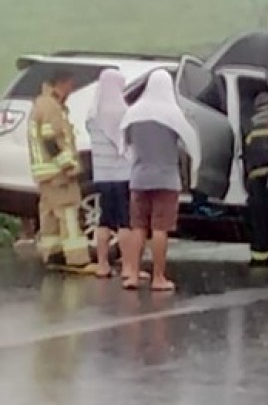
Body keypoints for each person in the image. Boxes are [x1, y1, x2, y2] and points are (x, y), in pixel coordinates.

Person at [120, 68, 196, 293]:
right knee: (160, 229)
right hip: (166, 178)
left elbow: (123, 143)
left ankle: (132, 274)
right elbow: (191, 142)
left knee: (138, 227)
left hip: (139, 178)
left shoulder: (134, 113)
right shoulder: (172, 114)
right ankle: (158, 277)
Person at [27, 69, 93, 273]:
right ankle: (77, 259)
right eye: (71, 85)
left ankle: (54, 254)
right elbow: (50, 139)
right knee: (69, 213)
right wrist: (69, 165)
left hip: (44, 173)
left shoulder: (41, 104)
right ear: (62, 83)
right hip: (58, 174)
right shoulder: (51, 107)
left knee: (49, 214)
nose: (72, 90)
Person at [86, 68, 140, 284]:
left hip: (101, 174)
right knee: (124, 221)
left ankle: (102, 264)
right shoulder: (122, 112)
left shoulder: (92, 114)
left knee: (104, 219)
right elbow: (128, 142)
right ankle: (127, 266)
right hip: (121, 173)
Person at [243, 90, 268, 267]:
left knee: (260, 222)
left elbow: (245, 155)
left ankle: (259, 259)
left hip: (256, 180)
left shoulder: (249, 124)